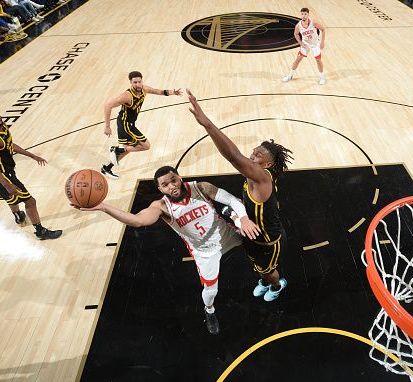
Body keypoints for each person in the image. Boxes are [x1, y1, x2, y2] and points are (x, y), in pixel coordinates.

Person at [75, 166, 260, 334]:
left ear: (179, 177)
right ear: (160, 189)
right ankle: (209, 310)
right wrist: (104, 207)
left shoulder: (201, 187)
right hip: (205, 252)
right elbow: (138, 221)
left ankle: (235, 219)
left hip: (226, 234)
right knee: (211, 290)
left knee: (260, 239)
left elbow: (232, 199)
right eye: (165, 184)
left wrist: (243, 219)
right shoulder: (161, 206)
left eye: (173, 180)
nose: (171, 186)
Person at [186, 89, 294, 302]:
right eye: (253, 151)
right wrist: (239, 217)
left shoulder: (262, 177)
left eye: (258, 155)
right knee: (258, 268)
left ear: (268, 164)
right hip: (252, 233)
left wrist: (207, 124)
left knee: (268, 271)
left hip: (268, 241)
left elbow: (234, 157)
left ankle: (276, 284)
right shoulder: (256, 174)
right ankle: (264, 279)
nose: (252, 156)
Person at [0, 101, 62, 240]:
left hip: (6, 170)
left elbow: (10, 144)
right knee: (30, 201)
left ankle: (18, 216)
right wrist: (7, 184)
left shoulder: (1, 126)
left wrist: (32, 155)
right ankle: (40, 231)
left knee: (11, 197)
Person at [101, 71, 183, 180]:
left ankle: (107, 167)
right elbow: (108, 105)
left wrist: (173, 92)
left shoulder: (144, 89)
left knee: (127, 148)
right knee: (146, 146)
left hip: (129, 123)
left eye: (139, 82)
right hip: (126, 124)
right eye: (135, 82)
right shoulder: (127, 96)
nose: (138, 84)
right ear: (130, 82)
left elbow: (158, 91)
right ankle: (117, 150)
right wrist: (107, 126)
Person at [282, 7, 327, 85]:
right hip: (305, 44)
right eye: (302, 14)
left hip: (315, 44)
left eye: (305, 14)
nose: (303, 16)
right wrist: (300, 43)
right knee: (298, 60)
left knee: (318, 60)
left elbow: (323, 29)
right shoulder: (298, 25)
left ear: (308, 14)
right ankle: (290, 75)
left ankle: (322, 76)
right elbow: (295, 34)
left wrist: (322, 42)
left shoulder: (314, 22)